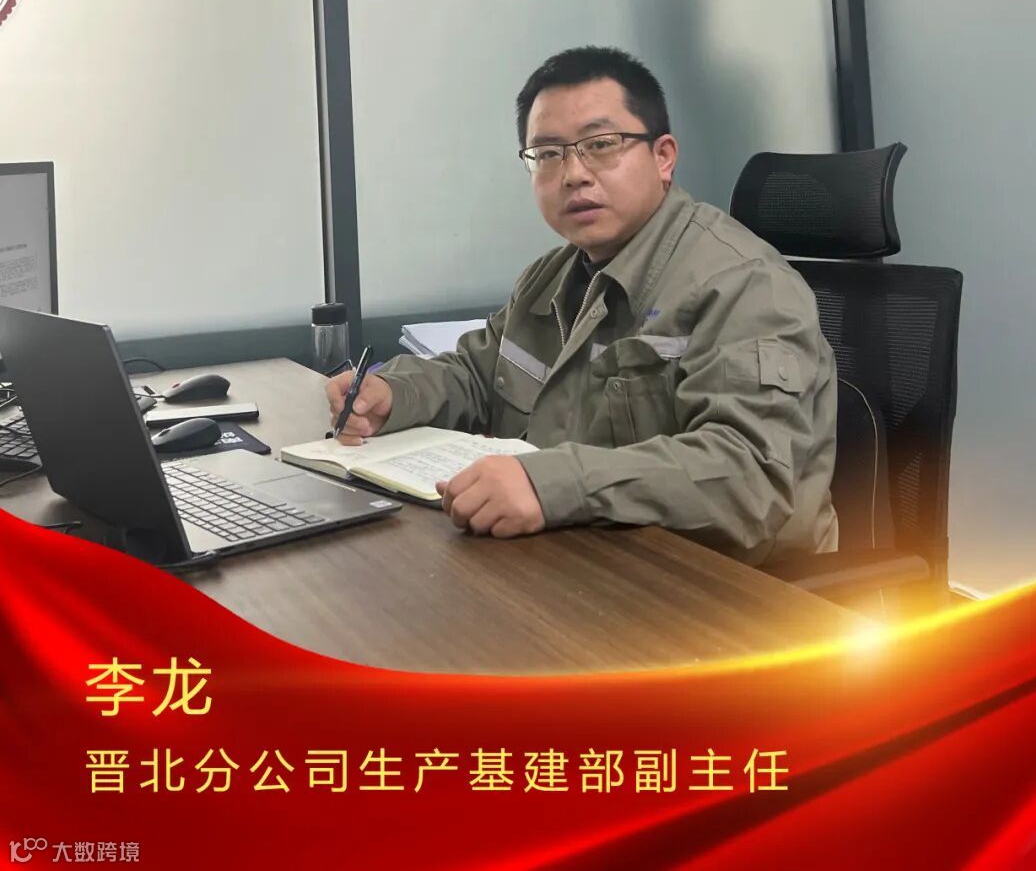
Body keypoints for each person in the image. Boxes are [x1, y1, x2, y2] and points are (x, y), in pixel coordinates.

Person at [327, 46, 838, 566]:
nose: (573, 173)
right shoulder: (551, 276)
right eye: (548, 153)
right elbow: (478, 376)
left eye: (601, 145)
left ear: (663, 157)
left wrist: (549, 484)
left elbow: (749, 476)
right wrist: (393, 394)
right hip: (585, 560)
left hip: (732, 590)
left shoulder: (744, 284)